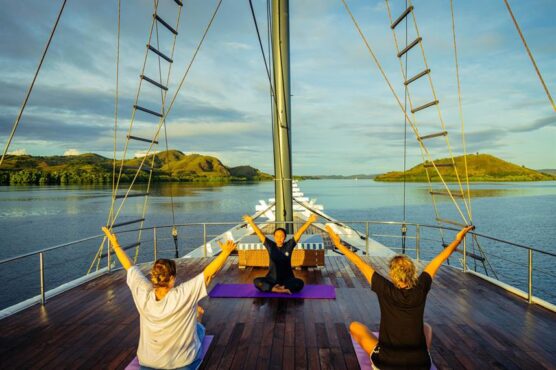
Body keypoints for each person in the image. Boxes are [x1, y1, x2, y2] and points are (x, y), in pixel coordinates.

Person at [326, 224, 474, 370]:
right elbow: (441, 257)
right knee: (427, 328)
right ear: (412, 272)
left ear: (393, 274)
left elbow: (359, 262)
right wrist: (458, 239)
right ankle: (420, 354)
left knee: (354, 327)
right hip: (420, 364)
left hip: (386, 363)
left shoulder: (384, 288)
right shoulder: (421, 286)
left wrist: (339, 244)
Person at [101, 227, 236, 370]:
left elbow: (129, 267)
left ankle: (195, 314)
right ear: (172, 278)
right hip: (182, 363)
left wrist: (115, 244)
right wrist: (226, 252)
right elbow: (208, 274)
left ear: (154, 276)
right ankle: (197, 316)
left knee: (191, 314)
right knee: (198, 329)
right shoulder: (182, 294)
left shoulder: (143, 293)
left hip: (148, 362)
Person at [243, 213, 318, 294]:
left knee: (300, 283)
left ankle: (279, 288)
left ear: (285, 237)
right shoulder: (270, 245)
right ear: (274, 237)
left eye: (282, 236)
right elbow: (260, 234)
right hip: (272, 279)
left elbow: (299, 232)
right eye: (277, 236)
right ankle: (277, 289)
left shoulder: (289, 245)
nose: (279, 238)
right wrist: (251, 222)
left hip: (288, 280)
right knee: (256, 281)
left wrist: (309, 221)